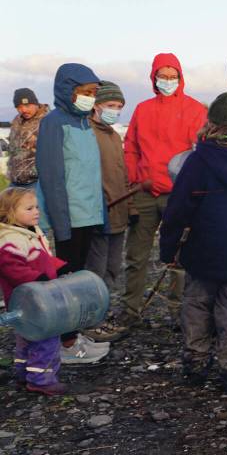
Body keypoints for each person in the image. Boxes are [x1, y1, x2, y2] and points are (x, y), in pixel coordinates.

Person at [159, 92, 227, 396]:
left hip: (203, 251)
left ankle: (196, 364)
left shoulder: (199, 161)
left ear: (212, 123)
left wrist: (169, 249)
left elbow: (178, 209)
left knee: (196, 305)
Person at [119, 53, 207, 332]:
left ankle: (178, 311)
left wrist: (192, 191)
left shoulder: (195, 109)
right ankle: (130, 310)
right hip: (144, 191)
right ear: (154, 78)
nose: (167, 81)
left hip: (177, 194)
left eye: (173, 76)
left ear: (180, 78)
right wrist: (134, 181)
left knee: (179, 256)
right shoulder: (142, 109)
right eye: (163, 76)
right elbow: (131, 147)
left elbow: (200, 152)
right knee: (136, 255)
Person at [35, 63, 110, 363]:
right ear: (69, 91)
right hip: (69, 217)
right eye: (86, 92)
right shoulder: (54, 123)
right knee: (65, 281)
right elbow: (52, 176)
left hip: (88, 214)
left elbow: (92, 174)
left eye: (93, 93)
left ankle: (73, 336)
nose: (91, 98)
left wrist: (101, 212)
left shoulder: (84, 123)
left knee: (79, 279)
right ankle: (65, 345)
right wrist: (61, 225)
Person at [0, 187, 68, 395]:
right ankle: (41, 378)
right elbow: (12, 268)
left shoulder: (30, 232)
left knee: (27, 335)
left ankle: (23, 370)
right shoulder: (10, 239)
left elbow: (42, 260)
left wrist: (59, 266)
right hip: (28, 297)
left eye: (36, 207)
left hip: (37, 295)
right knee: (46, 335)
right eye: (29, 208)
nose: (36, 212)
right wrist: (37, 278)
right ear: (11, 212)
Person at [84, 82, 132, 312]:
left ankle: (102, 311)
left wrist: (130, 207)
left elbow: (122, 173)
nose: (115, 110)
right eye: (110, 105)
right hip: (99, 214)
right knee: (95, 269)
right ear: (96, 105)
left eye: (119, 106)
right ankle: (90, 317)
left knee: (113, 268)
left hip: (119, 215)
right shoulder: (86, 133)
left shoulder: (114, 136)